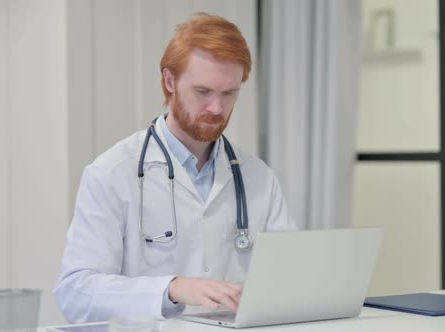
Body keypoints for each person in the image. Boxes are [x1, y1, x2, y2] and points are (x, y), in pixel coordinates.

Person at [54, 13, 297, 323]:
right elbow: (75, 292)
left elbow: (288, 281)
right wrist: (171, 289)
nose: (216, 109)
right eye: (203, 92)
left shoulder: (258, 177)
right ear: (169, 81)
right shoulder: (112, 173)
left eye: (229, 93)